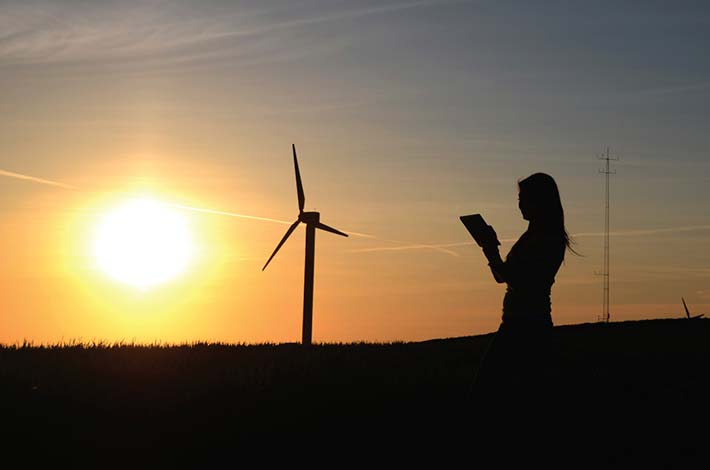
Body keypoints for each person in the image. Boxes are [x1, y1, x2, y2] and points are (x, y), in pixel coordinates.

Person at [470, 172, 577, 407]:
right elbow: (504, 277)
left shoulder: (546, 239)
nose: (519, 204)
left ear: (539, 201)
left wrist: (490, 249)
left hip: (527, 327)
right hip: (517, 324)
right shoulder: (533, 237)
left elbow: (519, 280)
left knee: (494, 392)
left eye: (524, 198)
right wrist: (489, 250)